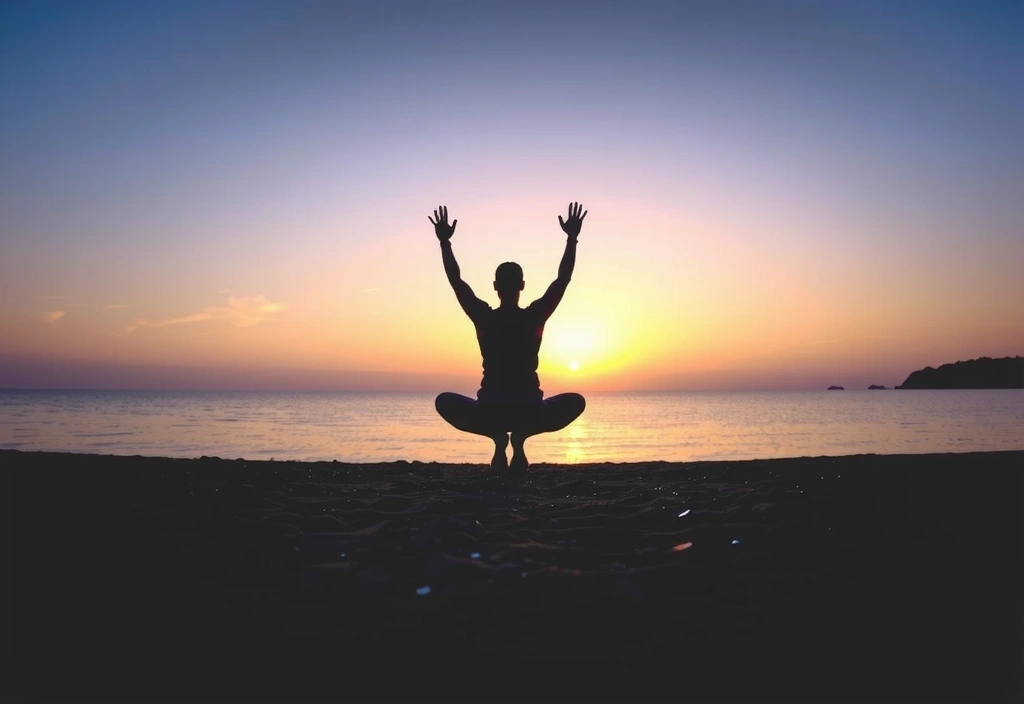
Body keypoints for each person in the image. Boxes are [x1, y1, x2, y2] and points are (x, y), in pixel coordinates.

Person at [431, 203, 588, 471]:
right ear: (522, 286)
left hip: (490, 409)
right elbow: (563, 279)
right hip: (529, 409)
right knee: (577, 401)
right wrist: (571, 239)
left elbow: (456, 282)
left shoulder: (484, 318)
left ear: (495, 287)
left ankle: (497, 438)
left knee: (443, 401)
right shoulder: (534, 317)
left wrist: (445, 243)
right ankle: (521, 437)